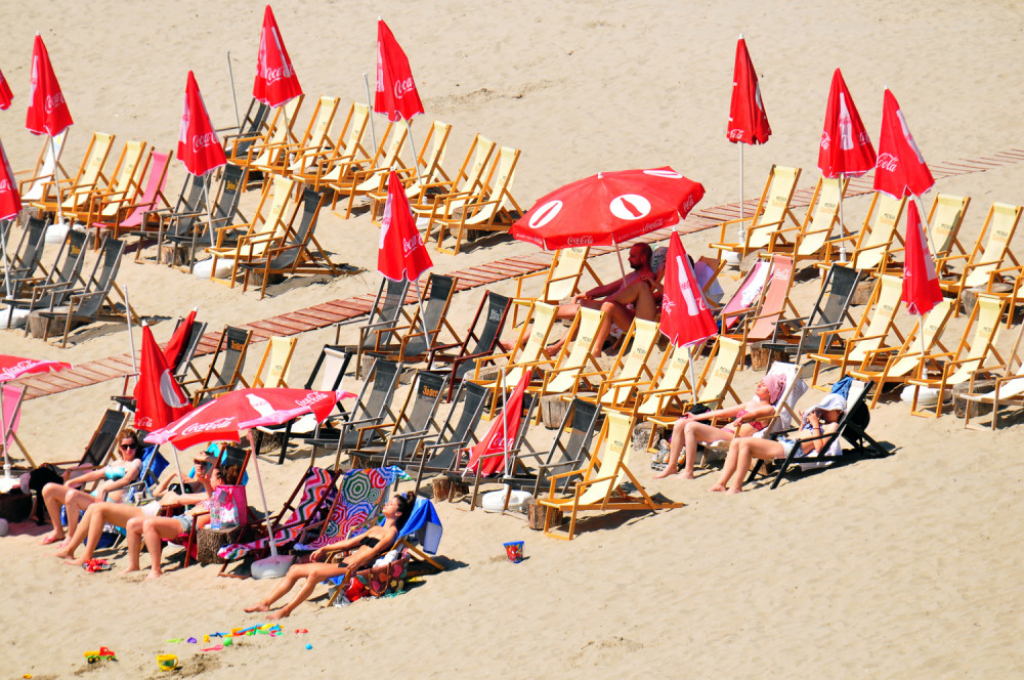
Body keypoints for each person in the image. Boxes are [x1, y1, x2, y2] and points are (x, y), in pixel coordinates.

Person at [244, 492, 416, 619]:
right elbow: (350, 543)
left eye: (391, 504)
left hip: (352, 567)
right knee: (295, 569)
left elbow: (371, 553)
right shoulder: (376, 529)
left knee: (313, 575)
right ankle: (266, 603)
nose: (386, 504)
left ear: (398, 513)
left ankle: (286, 611)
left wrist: (355, 564)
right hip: (343, 563)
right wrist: (325, 548)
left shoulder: (390, 533)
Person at [54, 454, 218, 564]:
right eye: (197, 462)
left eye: (204, 464)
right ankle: (70, 550)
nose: (199, 466)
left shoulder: (203, 492)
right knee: (95, 508)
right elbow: (155, 492)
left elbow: (210, 498)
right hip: (148, 507)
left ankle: (85, 555)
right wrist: (173, 475)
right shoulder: (185, 482)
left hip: (149, 514)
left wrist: (210, 469)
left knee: (99, 509)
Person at [653, 373, 786, 480]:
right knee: (681, 423)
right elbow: (724, 412)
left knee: (690, 427)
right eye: (760, 382)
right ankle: (672, 466)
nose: (759, 385)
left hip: (734, 437)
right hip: (723, 432)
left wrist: (742, 418)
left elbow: (755, 414)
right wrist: (696, 417)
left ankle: (688, 471)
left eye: (764, 385)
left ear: (770, 392)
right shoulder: (750, 403)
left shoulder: (769, 409)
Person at [121, 462, 241, 579]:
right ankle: (133, 565)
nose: (209, 479)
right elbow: (209, 497)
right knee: (132, 523)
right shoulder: (215, 494)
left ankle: (156, 570)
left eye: (212, 477)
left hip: (187, 524)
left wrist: (205, 484)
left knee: (149, 524)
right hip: (182, 518)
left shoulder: (225, 497)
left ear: (219, 481)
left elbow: (216, 503)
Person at [710, 393, 847, 494]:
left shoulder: (832, 426)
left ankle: (736, 486)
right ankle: (721, 483)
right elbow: (802, 434)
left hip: (793, 448)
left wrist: (815, 424)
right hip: (787, 443)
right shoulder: (821, 423)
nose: (823, 412)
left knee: (745, 444)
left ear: (838, 411)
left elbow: (819, 447)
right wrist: (804, 424)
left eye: (827, 410)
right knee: (736, 443)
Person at [547, 243, 664, 356]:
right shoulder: (633, 276)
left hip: (618, 315)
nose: (628, 259)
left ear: (643, 258)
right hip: (608, 308)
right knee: (557, 312)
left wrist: (599, 303)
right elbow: (607, 288)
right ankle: (556, 342)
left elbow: (652, 299)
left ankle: (556, 339)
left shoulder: (647, 280)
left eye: (632, 256)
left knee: (576, 310)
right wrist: (582, 294)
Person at [39, 429, 144, 546]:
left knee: (72, 495)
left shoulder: (136, 462)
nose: (129, 450)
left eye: (132, 446)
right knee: (48, 489)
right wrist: (72, 481)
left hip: (107, 503)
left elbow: (127, 479)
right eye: (125, 446)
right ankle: (58, 531)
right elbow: (95, 474)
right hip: (94, 498)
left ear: (136, 447)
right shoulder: (116, 463)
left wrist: (105, 489)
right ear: (119, 447)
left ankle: (71, 537)